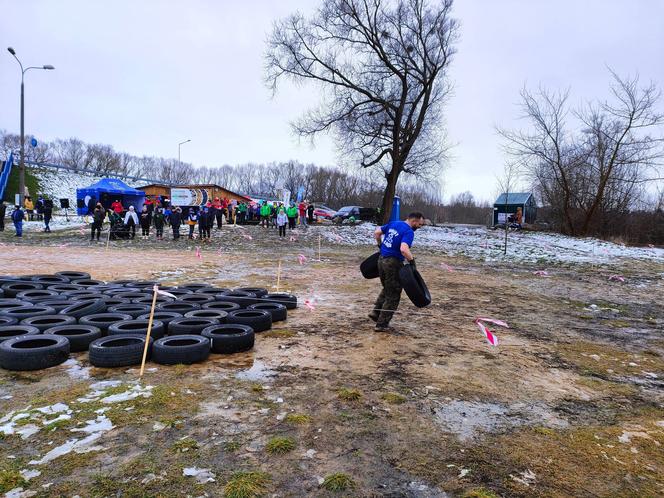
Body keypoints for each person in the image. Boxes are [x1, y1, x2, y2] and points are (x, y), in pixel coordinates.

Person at [369, 212, 426, 331]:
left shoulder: (394, 223)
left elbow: (377, 232)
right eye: (419, 225)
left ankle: (376, 312)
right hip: (393, 263)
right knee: (393, 294)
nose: (419, 227)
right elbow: (404, 249)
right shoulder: (408, 231)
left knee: (388, 287)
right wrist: (411, 261)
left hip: (381, 260)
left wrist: (380, 245)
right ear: (414, 221)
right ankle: (382, 325)